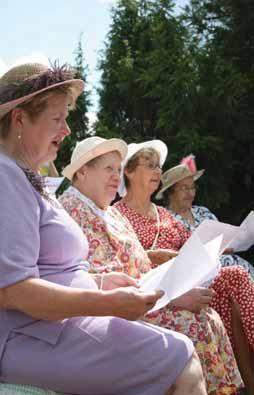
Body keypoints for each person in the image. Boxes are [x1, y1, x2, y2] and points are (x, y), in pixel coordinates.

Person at [0, 63, 204, 395]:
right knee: (181, 356)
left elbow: (48, 268)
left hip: (56, 326)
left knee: (179, 351)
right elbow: (13, 291)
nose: (66, 129)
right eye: (57, 119)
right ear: (20, 119)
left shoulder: (25, 178)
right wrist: (106, 303)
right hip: (31, 336)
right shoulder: (5, 175)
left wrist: (100, 282)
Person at [59, 137, 242, 395]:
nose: (116, 176)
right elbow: (102, 276)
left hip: (144, 295)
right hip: (113, 309)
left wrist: (173, 278)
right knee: (194, 324)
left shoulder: (107, 211)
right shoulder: (73, 210)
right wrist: (171, 296)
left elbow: (139, 262)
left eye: (117, 168)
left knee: (209, 316)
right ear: (82, 171)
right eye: (108, 168)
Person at [114, 140, 254, 395]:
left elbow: (191, 247)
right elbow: (124, 260)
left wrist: (209, 249)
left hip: (190, 279)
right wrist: (158, 259)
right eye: (150, 166)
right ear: (129, 172)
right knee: (214, 307)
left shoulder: (166, 216)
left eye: (159, 166)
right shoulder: (117, 215)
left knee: (237, 276)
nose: (157, 171)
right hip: (155, 287)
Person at [155, 154, 254, 280]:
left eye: (192, 188)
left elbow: (223, 239)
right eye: (184, 188)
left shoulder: (202, 211)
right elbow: (171, 258)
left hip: (231, 264)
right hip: (201, 274)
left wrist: (230, 245)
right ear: (170, 193)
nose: (190, 193)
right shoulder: (165, 218)